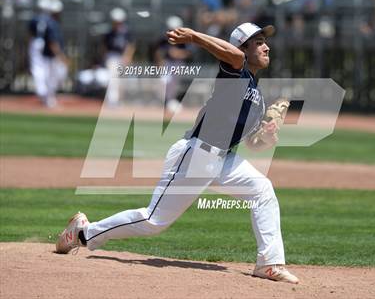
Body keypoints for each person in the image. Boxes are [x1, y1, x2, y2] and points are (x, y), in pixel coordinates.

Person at [56, 22, 299, 284]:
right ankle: (84, 232)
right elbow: (235, 56)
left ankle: (268, 264)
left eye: (265, 41)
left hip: (224, 159)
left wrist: (267, 137)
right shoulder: (235, 73)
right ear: (242, 47)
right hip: (197, 156)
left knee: (263, 190)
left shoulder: (257, 95)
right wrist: (194, 37)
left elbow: (252, 144)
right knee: (154, 221)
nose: (266, 46)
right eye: (259, 41)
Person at [103, 7, 135, 106]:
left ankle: (120, 100)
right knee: (113, 78)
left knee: (124, 80)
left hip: (123, 57)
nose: (117, 23)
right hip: (112, 56)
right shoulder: (109, 33)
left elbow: (131, 45)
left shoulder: (126, 32)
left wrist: (128, 57)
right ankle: (113, 100)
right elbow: (105, 48)